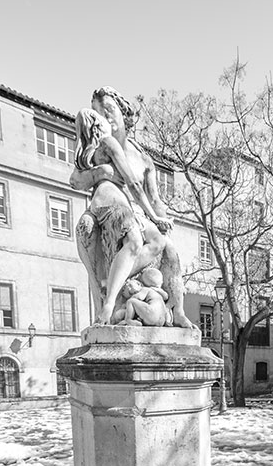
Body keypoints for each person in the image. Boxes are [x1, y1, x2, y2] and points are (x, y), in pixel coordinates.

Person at [70, 87, 193, 329]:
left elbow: (154, 198)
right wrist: (99, 173)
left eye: (109, 110)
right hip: (113, 211)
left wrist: (160, 218)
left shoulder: (143, 159)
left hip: (139, 213)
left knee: (169, 250)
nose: (106, 116)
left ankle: (177, 312)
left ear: (124, 115)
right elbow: (76, 180)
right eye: (99, 113)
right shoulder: (99, 147)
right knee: (101, 232)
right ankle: (111, 299)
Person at [73, 108, 168, 324]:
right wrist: (154, 216)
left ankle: (112, 282)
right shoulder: (108, 143)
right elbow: (133, 182)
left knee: (148, 243)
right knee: (140, 243)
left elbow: (75, 181)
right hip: (114, 204)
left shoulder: (85, 152)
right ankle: (110, 300)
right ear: (98, 124)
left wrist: (97, 173)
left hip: (96, 205)